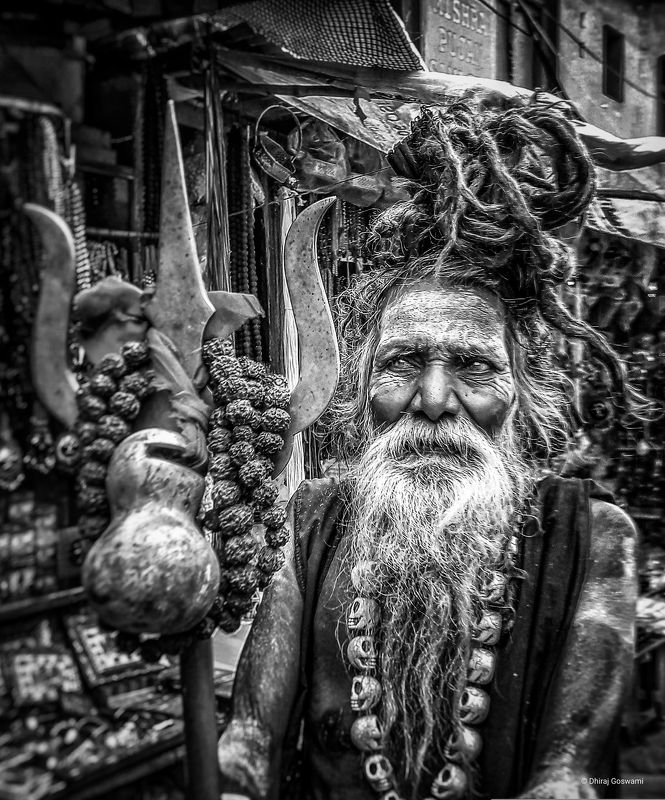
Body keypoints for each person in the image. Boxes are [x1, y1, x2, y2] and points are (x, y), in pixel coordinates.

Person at [218, 97, 638, 800]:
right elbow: (250, 742)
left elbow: (566, 778)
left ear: (523, 387)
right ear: (361, 381)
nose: (435, 399)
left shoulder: (595, 540)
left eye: (473, 365)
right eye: (403, 361)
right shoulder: (312, 520)